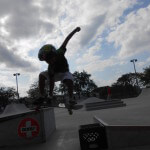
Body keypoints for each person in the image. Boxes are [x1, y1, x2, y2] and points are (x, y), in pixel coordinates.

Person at [35, 27, 81, 105]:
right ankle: (42, 96)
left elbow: (67, 39)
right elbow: (52, 82)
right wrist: (50, 95)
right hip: (55, 74)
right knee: (41, 75)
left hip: (64, 73)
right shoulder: (50, 67)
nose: (49, 62)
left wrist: (75, 30)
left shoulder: (60, 52)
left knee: (69, 80)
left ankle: (71, 98)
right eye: (46, 61)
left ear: (54, 54)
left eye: (49, 59)